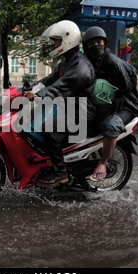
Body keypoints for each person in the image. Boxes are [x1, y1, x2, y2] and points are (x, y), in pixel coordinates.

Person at [24, 20, 97, 189]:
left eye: (57, 40)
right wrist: (28, 89)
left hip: (82, 113)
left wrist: (38, 95)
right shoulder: (66, 62)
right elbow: (49, 80)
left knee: (48, 128)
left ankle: (60, 173)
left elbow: (62, 85)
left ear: (67, 38)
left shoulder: (81, 65)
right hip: (69, 107)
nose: (54, 43)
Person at [82, 26, 138, 181]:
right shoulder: (90, 62)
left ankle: (103, 162)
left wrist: (104, 91)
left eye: (99, 42)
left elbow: (127, 88)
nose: (96, 46)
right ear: (86, 47)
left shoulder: (113, 62)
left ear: (105, 43)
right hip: (106, 103)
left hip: (126, 105)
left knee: (111, 126)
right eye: (92, 43)